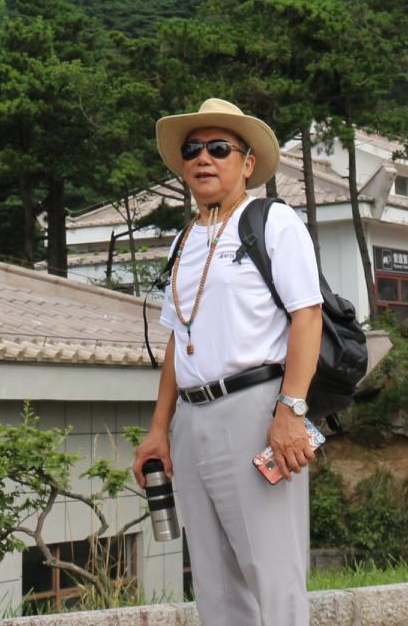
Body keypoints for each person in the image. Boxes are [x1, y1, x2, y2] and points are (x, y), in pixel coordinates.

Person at [132, 99, 323, 626]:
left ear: (246, 164)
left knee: (272, 573)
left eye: (220, 148)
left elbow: (308, 317)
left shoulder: (272, 221)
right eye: (193, 150)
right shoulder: (183, 240)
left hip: (257, 408)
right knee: (214, 583)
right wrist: (158, 430)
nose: (204, 158)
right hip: (192, 420)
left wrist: (290, 410)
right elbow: (178, 340)